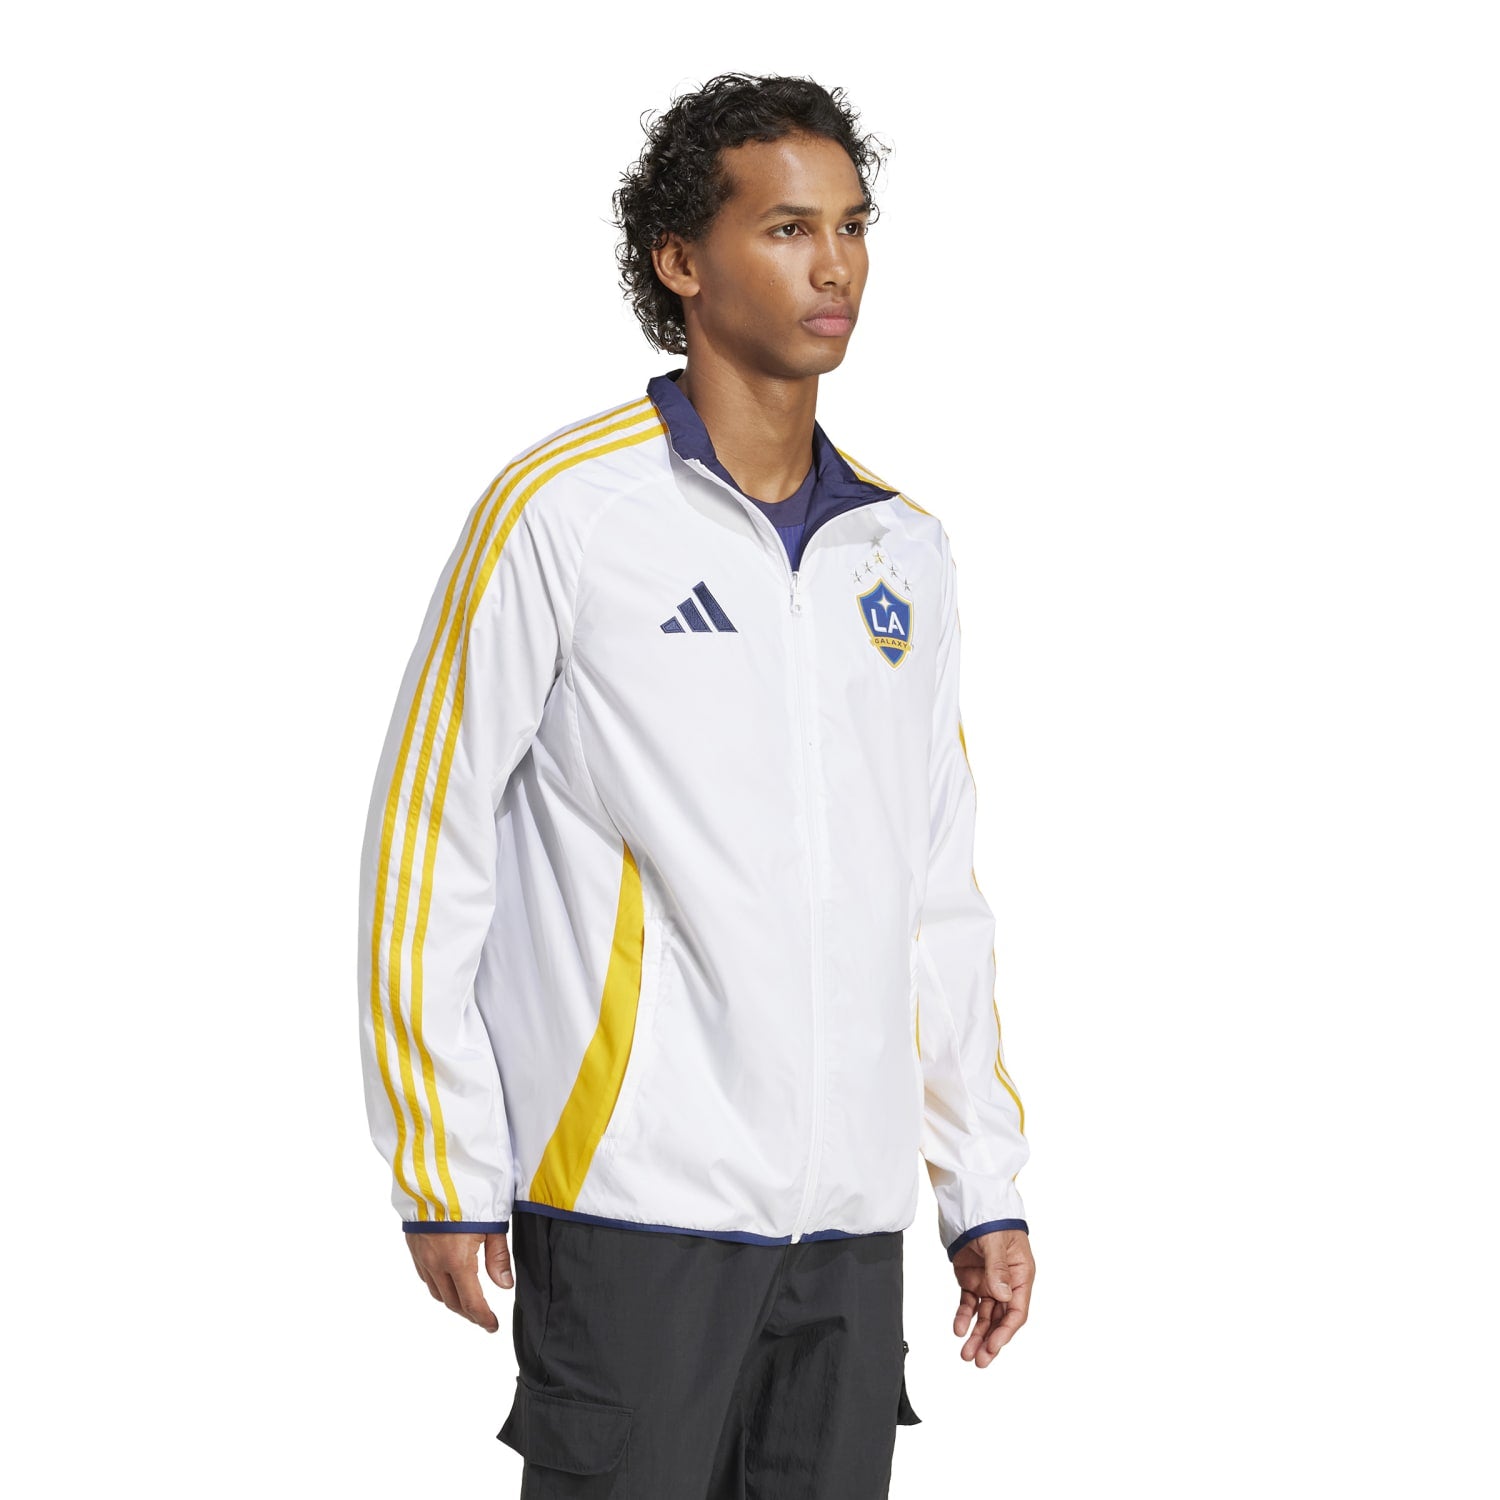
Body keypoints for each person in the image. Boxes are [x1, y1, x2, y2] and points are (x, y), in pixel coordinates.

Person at [356, 71, 1035, 1497]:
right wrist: (442, 1158)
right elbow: (429, 836)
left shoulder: (902, 550)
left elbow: (936, 889)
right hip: (633, 1205)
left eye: (852, 226)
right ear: (681, 260)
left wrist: (978, 1188)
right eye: (788, 228)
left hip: (848, 1230)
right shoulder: (563, 513)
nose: (835, 265)